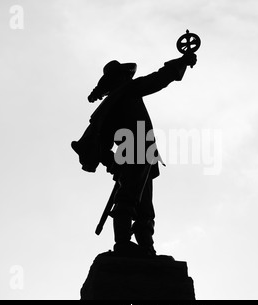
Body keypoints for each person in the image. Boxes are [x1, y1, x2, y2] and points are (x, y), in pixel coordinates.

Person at [72, 53, 197, 256]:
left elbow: (101, 146)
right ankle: (123, 243)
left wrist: (112, 162)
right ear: (119, 78)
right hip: (136, 151)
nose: (127, 78)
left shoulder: (109, 106)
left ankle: (145, 246)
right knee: (130, 198)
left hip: (141, 153)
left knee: (143, 204)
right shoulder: (127, 91)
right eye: (124, 75)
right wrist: (181, 62)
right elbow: (158, 79)